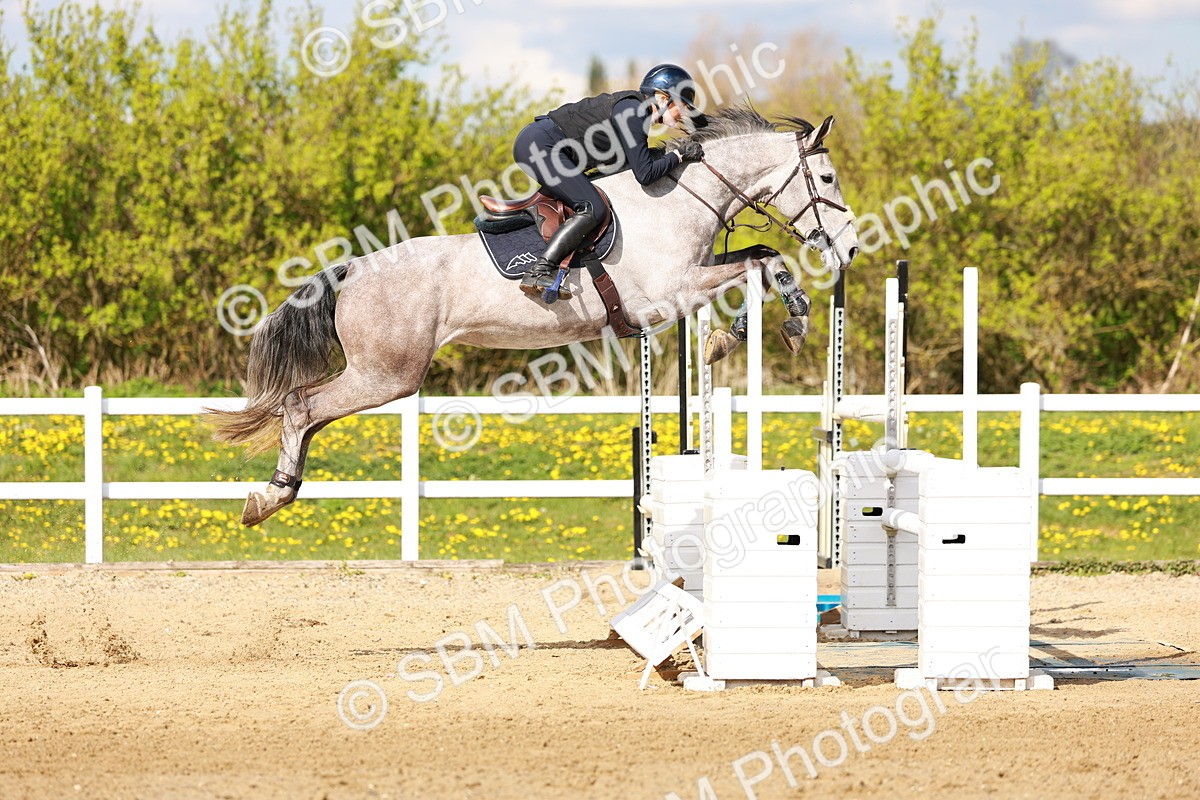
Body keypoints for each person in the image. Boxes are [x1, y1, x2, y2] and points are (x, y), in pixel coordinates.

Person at [511, 63, 707, 300]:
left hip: (544, 145)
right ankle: (539, 269)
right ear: (663, 98)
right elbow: (644, 174)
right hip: (540, 146)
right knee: (592, 207)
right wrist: (679, 156)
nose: (684, 116)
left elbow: (631, 165)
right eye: (683, 108)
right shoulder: (633, 112)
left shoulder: (635, 113)